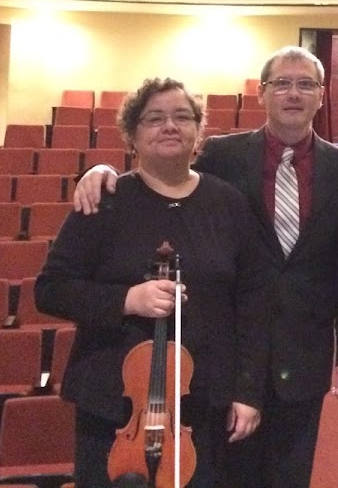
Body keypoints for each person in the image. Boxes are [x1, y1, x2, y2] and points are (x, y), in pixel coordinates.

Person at [72, 46, 338, 488]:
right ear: (261, 93)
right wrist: (100, 168)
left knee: (291, 476)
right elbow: (164, 174)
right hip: (227, 352)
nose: (293, 93)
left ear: (322, 95)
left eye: (306, 84)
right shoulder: (222, 156)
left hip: (303, 347)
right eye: (282, 83)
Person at [35, 77, 272, 488]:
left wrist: (248, 391)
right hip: (116, 404)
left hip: (202, 401)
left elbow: (253, 302)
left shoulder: (228, 203)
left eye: (182, 117)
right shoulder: (105, 199)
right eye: (155, 118)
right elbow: (51, 290)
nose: (170, 126)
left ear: (198, 132)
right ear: (132, 134)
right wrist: (127, 299)